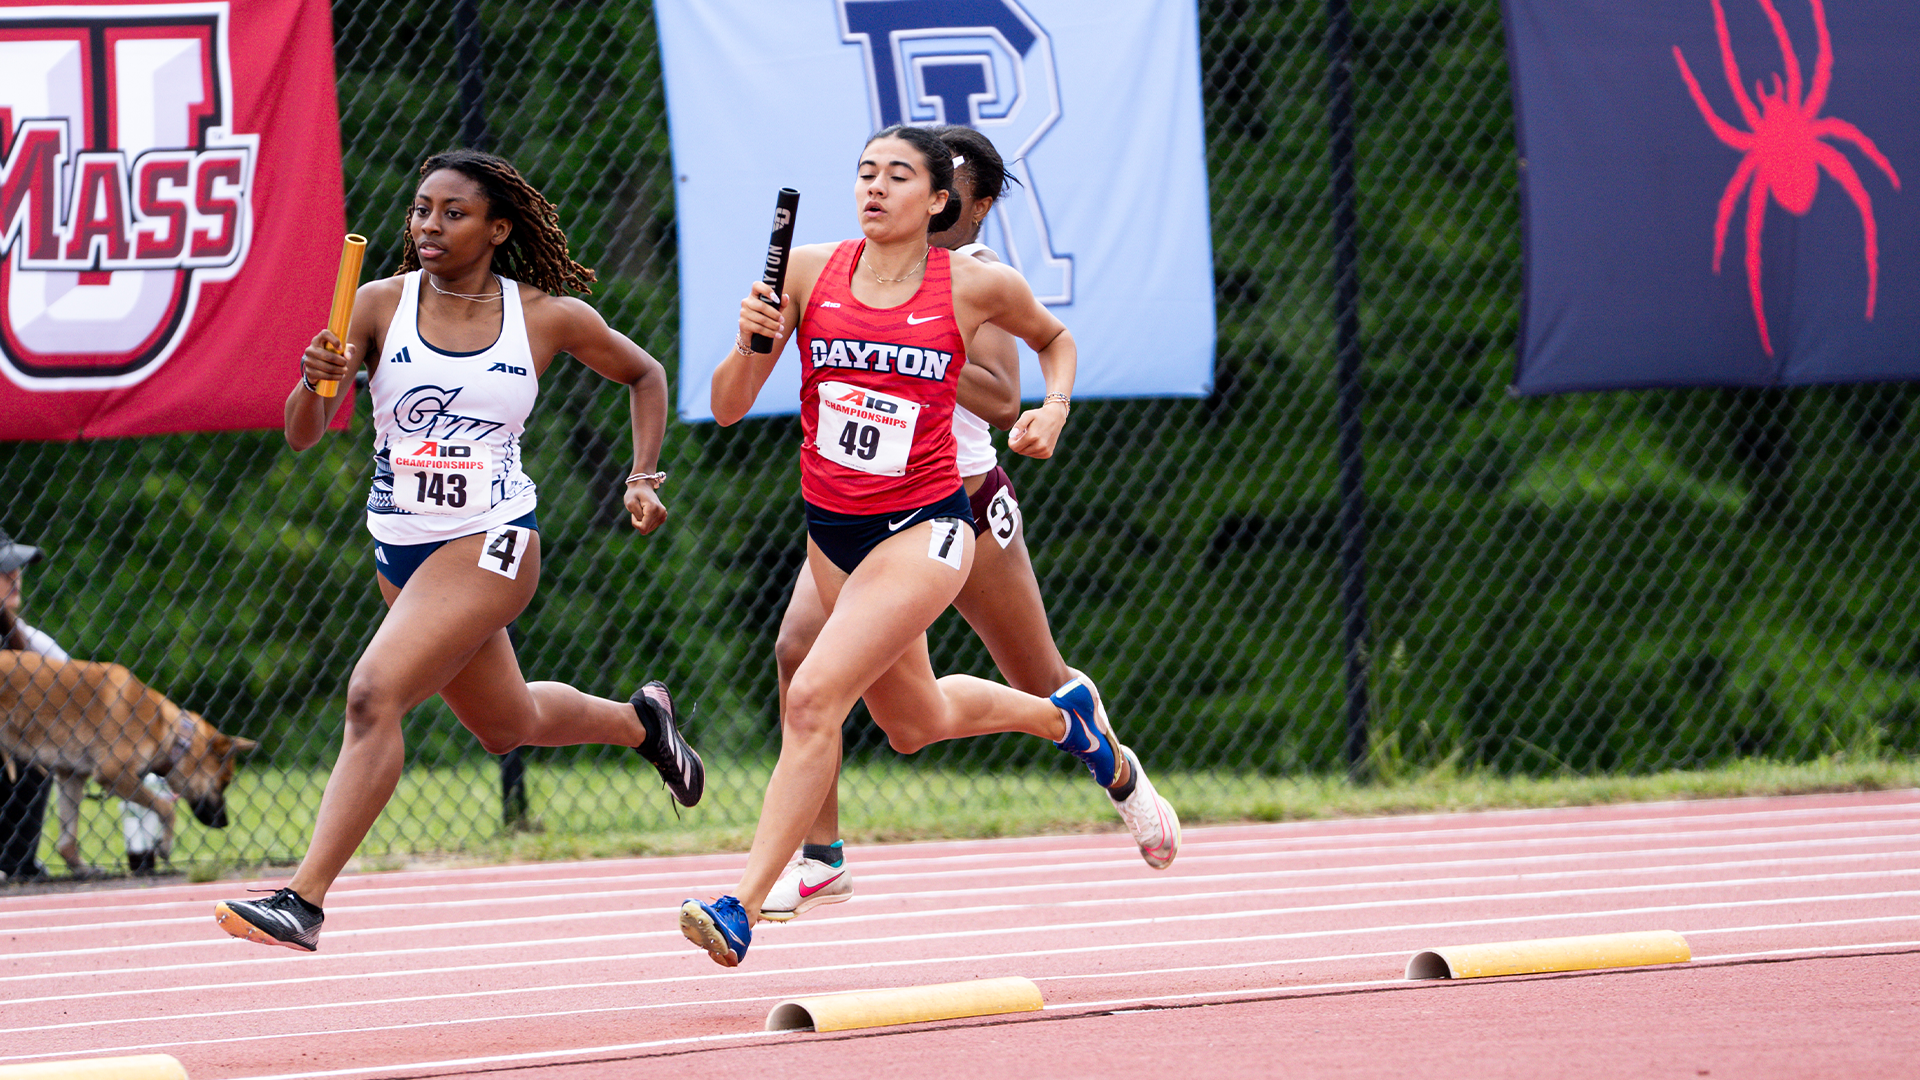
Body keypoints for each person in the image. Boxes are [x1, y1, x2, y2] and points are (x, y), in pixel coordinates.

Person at [679, 125, 1179, 967]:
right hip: (835, 529)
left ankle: (744, 903)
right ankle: (1067, 724)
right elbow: (730, 406)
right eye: (865, 172)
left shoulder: (973, 286)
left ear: (944, 199)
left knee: (813, 694)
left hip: (943, 517)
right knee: (912, 721)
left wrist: (1042, 407)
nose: (875, 187)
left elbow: (1044, 353)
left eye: (898, 176)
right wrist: (750, 341)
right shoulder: (808, 270)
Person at [213, 149, 704, 952]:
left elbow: (644, 374)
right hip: (400, 549)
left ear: (497, 228)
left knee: (373, 694)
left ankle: (304, 899)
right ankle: (642, 725)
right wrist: (314, 379)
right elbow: (304, 435)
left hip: (496, 540)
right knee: (507, 725)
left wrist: (642, 476)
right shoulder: (374, 305)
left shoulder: (545, 316)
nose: (429, 225)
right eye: (421, 209)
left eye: (453, 212)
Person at [0, 528, 67, 883]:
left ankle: (16, 862)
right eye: (3, 571)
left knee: (36, 745)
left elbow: (76, 679)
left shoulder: (16, 632)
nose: (15, 577)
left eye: (17, 568)